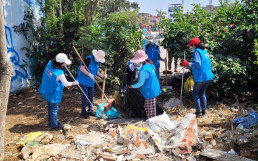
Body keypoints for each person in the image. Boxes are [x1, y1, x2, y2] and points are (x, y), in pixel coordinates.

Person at [39, 53, 79, 131]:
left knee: (50, 107)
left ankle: (51, 123)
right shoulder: (59, 73)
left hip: (47, 88)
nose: (65, 64)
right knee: (54, 109)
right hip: (54, 92)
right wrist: (75, 83)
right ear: (60, 63)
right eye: (64, 63)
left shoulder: (49, 63)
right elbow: (66, 84)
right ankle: (54, 126)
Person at [181, 38, 214, 117]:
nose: (191, 47)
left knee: (195, 93)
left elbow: (198, 64)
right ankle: (204, 112)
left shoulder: (197, 52)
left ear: (194, 45)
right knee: (202, 93)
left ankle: (198, 112)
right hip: (208, 76)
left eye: (191, 46)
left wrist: (187, 64)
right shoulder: (204, 52)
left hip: (201, 77)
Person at [129, 50, 161, 119]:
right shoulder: (150, 64)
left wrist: (132, 86)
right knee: (147, 106)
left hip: (150, 90)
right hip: (154, 87)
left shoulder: (143, 70)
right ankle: (151, 120)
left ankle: (153, 123)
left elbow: (140, 83)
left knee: (151, 110)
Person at [76, 49, 107, 118]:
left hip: (91, 81)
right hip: (83, 80)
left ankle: (90, 110)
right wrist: (88, 74)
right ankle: (83, 112)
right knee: (85, 96)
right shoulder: (88, 59)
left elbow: (95, 71)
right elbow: (81, 68)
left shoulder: (97, 62)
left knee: (91, 96)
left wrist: (102, 75)